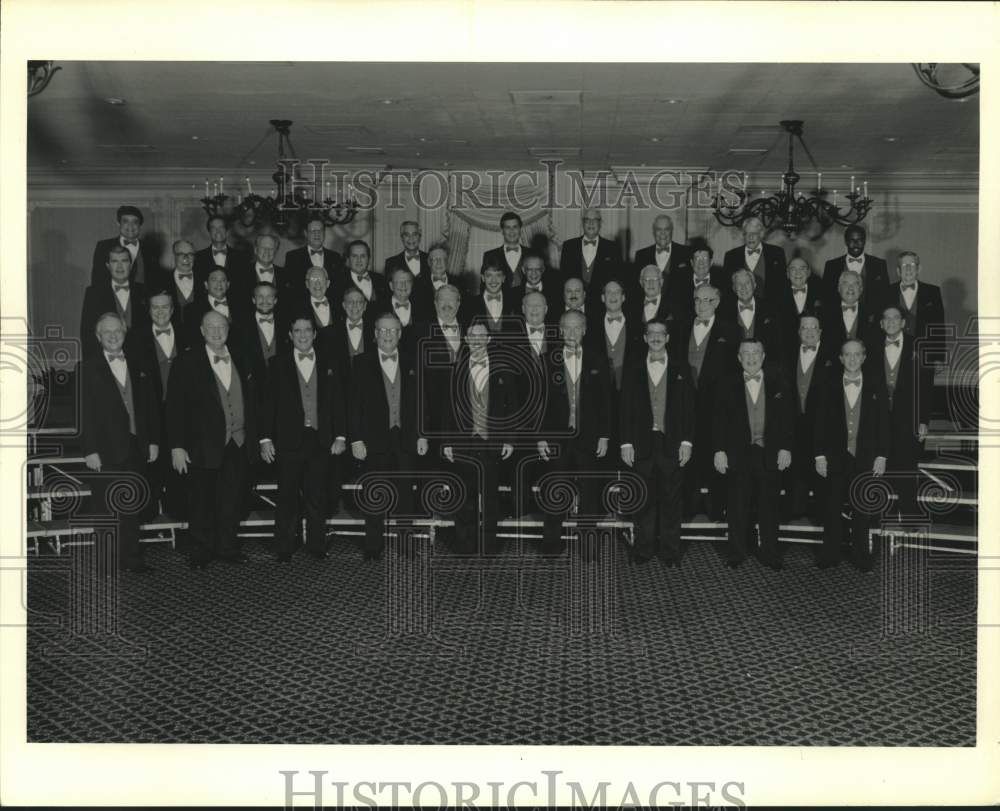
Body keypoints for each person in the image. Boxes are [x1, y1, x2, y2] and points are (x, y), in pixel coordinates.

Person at [166, 310, 259, 569]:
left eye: (221, 326)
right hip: (201, 444)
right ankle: (202, 550)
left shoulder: (243, 356)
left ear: (228, 329)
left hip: (238, 442)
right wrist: (177, 446)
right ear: (202, 330)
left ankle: (227, 547)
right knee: (201, 500)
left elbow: (255, 401)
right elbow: (175, 408)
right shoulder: (186, 361)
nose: (217, 332)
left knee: (232, 499)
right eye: (211, 327)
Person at [259, 317, 347, 562]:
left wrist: (340, 435)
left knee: (316, 495)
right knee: (286, 495)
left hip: (321, 439)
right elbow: (268, 405)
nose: (303, 335)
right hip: (289, 440)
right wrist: (265, 438)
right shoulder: (277, 364)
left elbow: (338, 402)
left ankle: (317, 546)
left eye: (308, 330)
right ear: (290, 334)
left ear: (314, 334)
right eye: (297, 330)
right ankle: (284, 547)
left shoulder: (330, 363)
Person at [80, 313, 160, 572]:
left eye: (117, 331)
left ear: (125, 332)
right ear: (98, 336)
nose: (113, 336)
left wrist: (152, 441)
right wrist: (90, 449)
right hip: (103, 449)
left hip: (135, 445)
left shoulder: (138, 364)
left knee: (131, 505)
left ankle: (132, 559)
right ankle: (107, 562)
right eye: (107, 332)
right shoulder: (86, 368)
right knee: (105, 507)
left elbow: (148, 408)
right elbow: (83, 414)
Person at [349, 313, 428, 560]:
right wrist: (356, 439)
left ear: (400, 334)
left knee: (406, 493)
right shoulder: (360, 362)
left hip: (405, 437)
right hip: (374, 439)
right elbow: (354, 405)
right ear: (374, 334)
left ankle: (406, 545)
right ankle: (373, 547)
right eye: (382, 331)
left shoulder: (412, 360)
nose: (387, 335)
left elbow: (422, 402)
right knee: (375, 492)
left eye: (392, 331)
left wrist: (422, 435)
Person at [619, 318, 694, 566]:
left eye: (661, 333)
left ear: (668, 338)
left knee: (672, 499)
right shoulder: (632, 369)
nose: (656, 337)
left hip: (672, 441)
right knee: (644, 499)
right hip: (642, 442)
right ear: (644, 338)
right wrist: (626, 443)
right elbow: (625, 408)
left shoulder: (682, 368)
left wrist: (687, 442)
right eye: (651, 333)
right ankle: (643, 549)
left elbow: (689, 409)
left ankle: (670, 552)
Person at [536, 310, 612, 556]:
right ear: (559, 331)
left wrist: (604, 435)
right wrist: (539, 437)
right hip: (556, 437)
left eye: (576, 327)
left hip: (588, 437)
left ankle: (588, 546)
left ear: (585, 330)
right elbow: (537, 402)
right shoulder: (546, 360)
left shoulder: (598, 360)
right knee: (554, 490)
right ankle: (551, 544)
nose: (571, 333)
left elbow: (605, 401)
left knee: (590, 492)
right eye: (566, 328)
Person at [713, 340, 793, 570]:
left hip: (769, 452)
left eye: (755, 353)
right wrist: (719, 451)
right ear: (738, 358)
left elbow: (788, 420)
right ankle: (736, 553)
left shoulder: (779, 382)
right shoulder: (726, 383)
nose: (751, 358)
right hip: (738, 453)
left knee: (769, 506)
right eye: (745, 354)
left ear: (763, 355)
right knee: (737, 505)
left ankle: (770, 553)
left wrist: (785, 448)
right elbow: (718, 420)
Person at [441, 320, 518, 554]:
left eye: (481, 336)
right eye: (472, 336)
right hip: (464, 441)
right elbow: (447, 409)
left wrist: (510, 439)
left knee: (491, 496)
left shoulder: (503, 369)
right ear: (466, 339)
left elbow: (512, 408)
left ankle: (489, 546)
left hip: (491, 441)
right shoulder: (455, 368)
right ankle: (465, 545)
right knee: (465, 495)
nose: (476, 340)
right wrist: (446, 443)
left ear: (488, 340)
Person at [813, 339, 890, 571]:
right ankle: (830, 554)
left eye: (858, 354)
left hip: (865, 456)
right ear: (841, 358)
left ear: (864, 357)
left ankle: (861, 556)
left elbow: (884, 423)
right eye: (848, 354)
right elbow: (819, 423)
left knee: (862, 510)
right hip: (835, 456)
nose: (853, 359)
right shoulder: (828, 384)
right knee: (832, 507)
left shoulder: (876, 384)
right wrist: (819, 456)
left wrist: (882, 455)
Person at [672, 284, 740, 520]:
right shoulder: (680, 328)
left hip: (716, 406)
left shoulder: (731, 331)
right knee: (686, 457)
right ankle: (688, 509)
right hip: (685, 405)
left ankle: (716, 510)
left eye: (708, 300)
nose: (702, 305)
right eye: (698, 300)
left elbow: (734, 373)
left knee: (716, 456)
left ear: (717, 303)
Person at [866, 306, 933, 518]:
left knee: (906, 466)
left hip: (908, 417)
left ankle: (909, 515)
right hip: (879, 417)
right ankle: (879, 517)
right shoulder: (870, 347)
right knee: (878, 465)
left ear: (903, 322)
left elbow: (926, 386)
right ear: (881, 324)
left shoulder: (918, 345)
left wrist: (923, 420)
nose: (892, 322)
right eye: (887, 318)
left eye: (896, 318)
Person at [129, 294, 187, 527]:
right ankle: (148, 525)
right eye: (155, 307)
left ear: (173, 309)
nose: (161, 312)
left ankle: (181, 521)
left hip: (183, 413)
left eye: (165, 307)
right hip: (150, 413)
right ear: (149, 310)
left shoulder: (187, 333)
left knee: (182, 470)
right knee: (151, 467)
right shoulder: (136, 337)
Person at [783, 315, 835, 522]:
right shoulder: (788, 355)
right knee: (796, 469)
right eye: (805, 327)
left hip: (823, 424)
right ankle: (796, 510)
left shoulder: (832, 356)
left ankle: (821, 516)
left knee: (822, 470)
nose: (810, 331)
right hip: (794, 422)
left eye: (814, 327)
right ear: (798, 332)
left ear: (821, 331)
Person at [80, 244, 149, 358]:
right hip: (105, 360)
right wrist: (93, 365)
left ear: (131, 265)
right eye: (115, 261)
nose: (120, 266)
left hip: (140, 360)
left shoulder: (144, 291)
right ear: (108, 265)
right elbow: (87, 333)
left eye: (124, 261)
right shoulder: (94, 293)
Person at [559, 208, 621, 311]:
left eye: (595, 220)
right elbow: (563, 277)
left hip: (601, 307)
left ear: (600, 223)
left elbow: (616, 279)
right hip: (574, 306)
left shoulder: (612, 248)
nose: (591, 223)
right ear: (582, 223)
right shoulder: (569, 246)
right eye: (587, 220)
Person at [822, 225, 890, 317]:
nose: (856, 243)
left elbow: (885, 296)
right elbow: (826, 297)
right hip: (839, 318)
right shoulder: (832, 266)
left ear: (864, 241)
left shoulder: (879, 264)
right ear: (846, 242)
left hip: (871, 320)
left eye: (860, 240)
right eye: (851, 240)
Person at [90, 205, 159, 285]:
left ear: (140, 226)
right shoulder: (103, 246)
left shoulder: (150, 249)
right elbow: (97, 279)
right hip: (112, 296)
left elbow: (155, 280)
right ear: (118, 223)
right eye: (126, 221)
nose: (130, 226)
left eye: (135, 222)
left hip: (143, 296)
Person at [722, 216, 786, 302]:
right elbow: (727, 288)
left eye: (754, 233)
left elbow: (782, 285)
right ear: (743, 235)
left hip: (770, 309)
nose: (750, 237)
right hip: (741, 308)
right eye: (747, 234)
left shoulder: (777, 253)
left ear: (761, 234)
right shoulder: (731, 256)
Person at [774, 256, 824, 362]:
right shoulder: (777, 297)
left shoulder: (821, 294)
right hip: (785, 355)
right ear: (787, 274)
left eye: (802, 268)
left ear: (809, 272)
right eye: (793, 269)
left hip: (815, 353)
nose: (798, 273)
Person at [151, 240, 201, 344]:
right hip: (171, 340)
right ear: (174, 256)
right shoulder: (161, 280)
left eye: (190, 254)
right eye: (181, 254)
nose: (186, 258)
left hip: (200, 339)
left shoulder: (204, 279)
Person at [631, 214, 691, 301]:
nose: (663, 233)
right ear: (653, 232)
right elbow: (636, 288)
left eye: (666, 229)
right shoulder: (641, 255)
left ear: (672, 231)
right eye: (659, 229)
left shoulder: (686, 253)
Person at [719, 269, 778, 356]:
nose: (743, 287)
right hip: (733, 365)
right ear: (734, 288)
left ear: (754, 285)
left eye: (747, 283)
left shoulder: (770, 308)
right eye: (739, 284)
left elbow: (775, 343)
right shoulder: (724, 311)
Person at [888, 251, 945, 341]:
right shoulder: (886, 291)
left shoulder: (933, 292)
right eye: (904, 265)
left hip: (923, 350)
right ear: (898, 271)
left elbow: (939, 331)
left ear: (919, 269)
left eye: (912, 264)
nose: (908, 269)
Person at [666, 242, 727, 324]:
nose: (701, 263)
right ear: (691, 262)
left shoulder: (723, 281)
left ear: (711, 262)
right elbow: (676, 309)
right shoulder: (678, 281)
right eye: (697, 258)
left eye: (705, 259)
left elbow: (725, 310)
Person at [284, 217, 344, 294]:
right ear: (306, 233)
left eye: (320, 230)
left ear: (324, 232)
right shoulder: (292, 257)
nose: (317, 233)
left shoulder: (335, 257)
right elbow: (291, 288)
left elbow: (339, 286)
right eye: (313, 230)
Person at [822, 269, 878, 349]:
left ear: (861, 289)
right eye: (846, 284)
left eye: (855, 284)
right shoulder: (826, 313)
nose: (850, 288)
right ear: (839, 288)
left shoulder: (871, 313)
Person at [460, 261, 519, 333]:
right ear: (483, 278)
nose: (493, 280)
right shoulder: (469, 304)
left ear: (503, 278)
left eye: (498, 275)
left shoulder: (514, 302)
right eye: (489, 275)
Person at [193, 215, 251, 287]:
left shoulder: (241, 257)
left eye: (221, 227)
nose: (218, 231)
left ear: (226, 231)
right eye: (214, 228)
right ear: (209, 232)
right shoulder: (198, 257)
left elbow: (245, 285)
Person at [331, 239, 389, 308]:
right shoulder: (338, 283)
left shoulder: (381, 279)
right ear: (348, 259)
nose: (359, 260)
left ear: (369, 259)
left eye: (363, 256)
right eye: (354, 256)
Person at [481, 211, 528, 289]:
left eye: (515, 227)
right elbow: (483, 286)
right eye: (508, 227)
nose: (512, 231)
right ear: (502, 231)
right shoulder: (490, 255)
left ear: (520, 230)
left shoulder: (533, 254)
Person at [512, 249, 561, 321]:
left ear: (543, 269)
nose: (533, 273)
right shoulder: (513, 294)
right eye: (529, 269)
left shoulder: (555, 293)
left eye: (537, 269)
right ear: (523, 270)